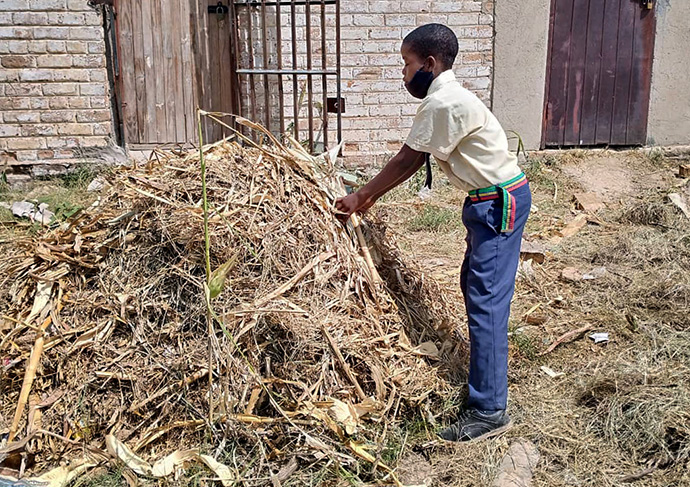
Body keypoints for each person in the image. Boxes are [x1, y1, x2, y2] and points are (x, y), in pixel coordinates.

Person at [335, 23, 531, 442]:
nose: (403, 75)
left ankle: (490, 409)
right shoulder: (451, 97)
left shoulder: (443, 102)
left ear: (429, 63)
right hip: (490, 200)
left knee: (487, 301)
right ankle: (486, 377)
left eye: (406, 65)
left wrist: (361, 197)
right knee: (478, 289)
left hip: (497, 202)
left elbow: (408, 160)